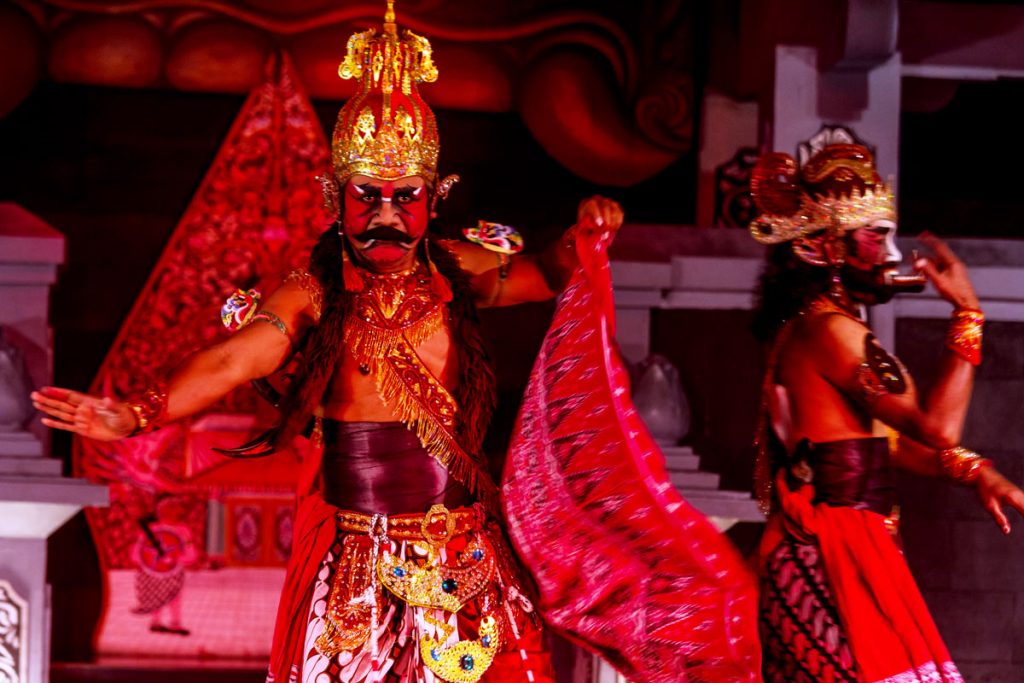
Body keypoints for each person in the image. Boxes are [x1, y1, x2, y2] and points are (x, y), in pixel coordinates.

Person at [31, 3, 624, 681]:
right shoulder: (311, 292)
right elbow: (234, 358)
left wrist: (586, 235)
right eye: (367, 196)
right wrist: (136, 413)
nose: (386, 216)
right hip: (358, 564)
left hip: (464, 554)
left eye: (406, 198)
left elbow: (550, 272)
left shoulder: (460, 272)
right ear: (334, 195)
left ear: (436, 197)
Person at [747, 126, 1024, 683]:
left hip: (842, 551)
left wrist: (975, 473)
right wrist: (968, 315)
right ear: (824, 246)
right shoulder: (829, 331)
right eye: (876, 236)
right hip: (823, 557)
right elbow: (939, 428)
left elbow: (891, 447)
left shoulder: (827, 329)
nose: (893, 254)